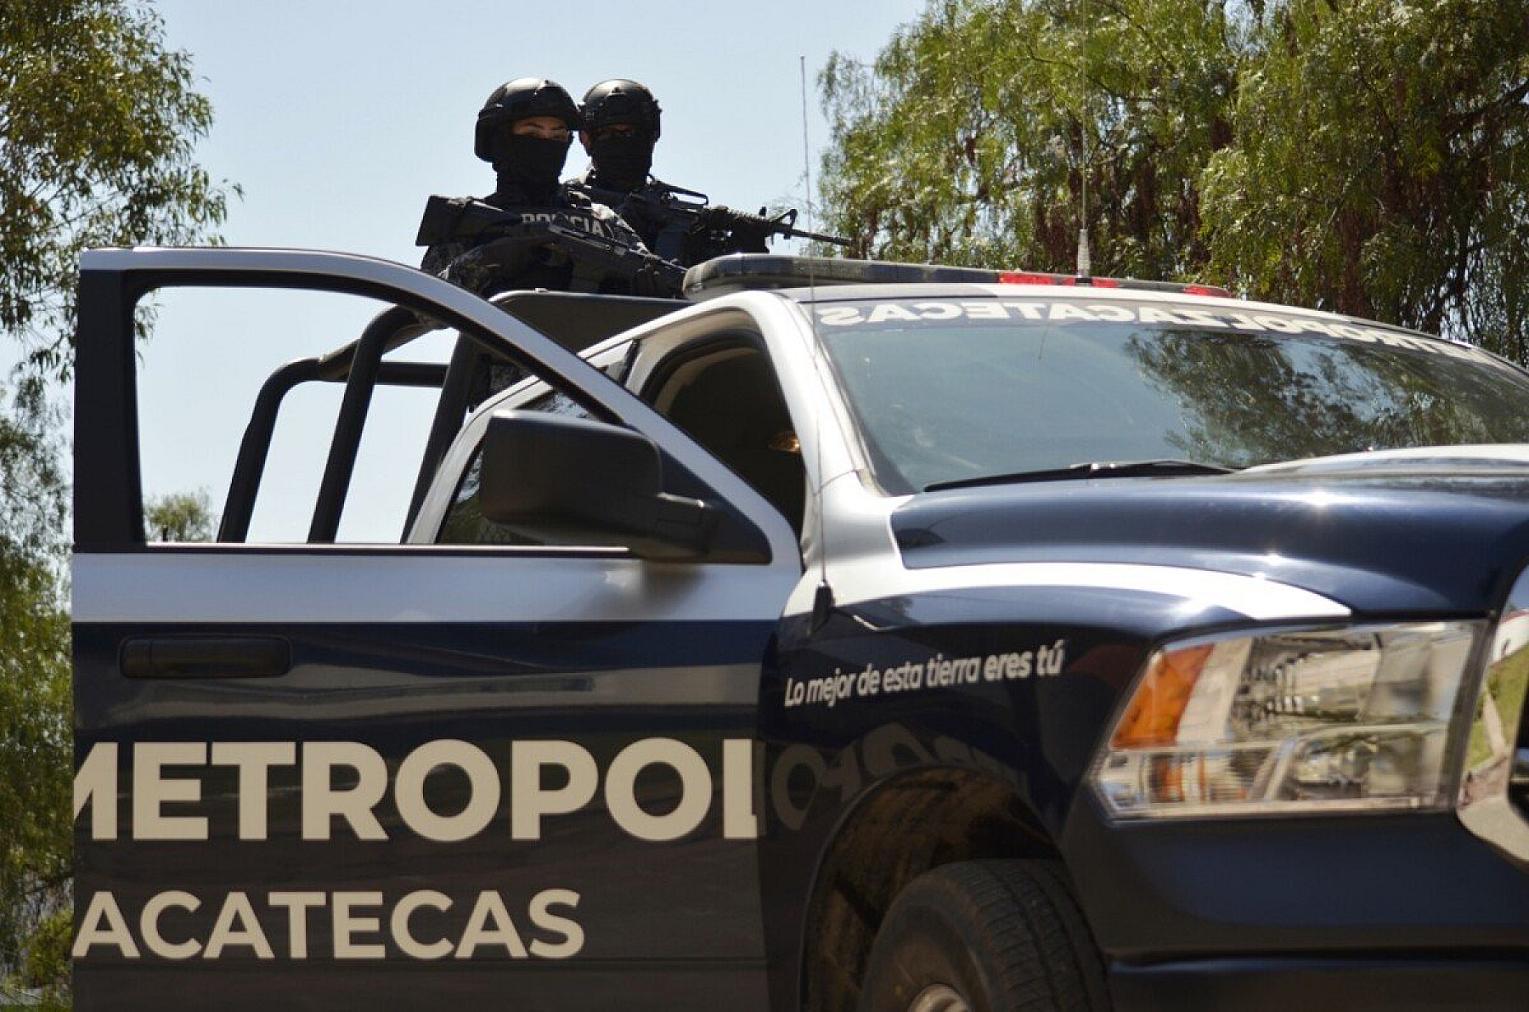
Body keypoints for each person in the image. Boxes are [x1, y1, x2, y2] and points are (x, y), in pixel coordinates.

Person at [418, 77, 666, 298]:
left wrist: (653, 290)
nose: (547, 146)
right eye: (532, 134)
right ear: (500, 139)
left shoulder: (601, 218)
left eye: (557, 137)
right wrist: (486, 260)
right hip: (501, 336)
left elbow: (647, 268)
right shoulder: (470, 221)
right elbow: (422, 309)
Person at [568, 79, 775, 266]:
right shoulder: (568, 204)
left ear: (652, 137)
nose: (622, 142)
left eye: (632, 133)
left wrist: (740, 258)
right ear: (586, 139)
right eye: (608, 133)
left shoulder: (672, 215)